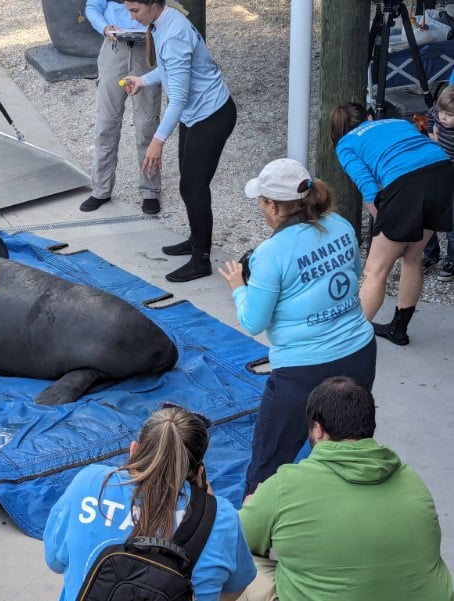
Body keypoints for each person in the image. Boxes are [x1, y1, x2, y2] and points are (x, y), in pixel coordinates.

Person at [218, 159, 375, 496]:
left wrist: (239, 288)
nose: (261, 208)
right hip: (359, 354)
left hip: (302, 371)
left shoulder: (270, 253)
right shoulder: (342, 225)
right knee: (349, 451)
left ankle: (255, 536)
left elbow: (253, 321)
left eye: (261, 201)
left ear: (273, 206)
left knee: (267, 467)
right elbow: (353, 274)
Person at [238, 376, 454, 601]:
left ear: (318, 429)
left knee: (235, 561)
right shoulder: (411, 479)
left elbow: (237, 538)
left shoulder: (286, 485)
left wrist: (253, 506)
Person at [44, 406, 256, 601]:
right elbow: (234, 589)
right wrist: (207, 504)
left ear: (134, 450)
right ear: (198, 472)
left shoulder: (90, 482)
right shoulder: (222, 517)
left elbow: (55, 561)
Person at [121, 0, 236, 282]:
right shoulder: (163, 21)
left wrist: (157, 141)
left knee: (194, 187)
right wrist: (143, 80)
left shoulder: (173, 34)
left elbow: (179, 98)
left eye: (135, 10)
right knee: (190, 183)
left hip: (211, 115)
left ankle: (201, 260)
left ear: (152, 4)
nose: (131, 17)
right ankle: (196, 241)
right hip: (195, 115)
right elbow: (170, 68)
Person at [331, 102, 453, 345]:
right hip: (443, 174)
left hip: (406, 183)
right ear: (369, 115)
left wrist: (383, 223)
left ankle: (348, 344)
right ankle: (398, 329)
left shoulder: (345, 143)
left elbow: (368, 188)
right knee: (413, 256)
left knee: (375, 270)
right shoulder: (399, 122)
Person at [80, 0, 162, 215]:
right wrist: (104, 27)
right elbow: (92, 7)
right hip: (114, 47)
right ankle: (101, 189)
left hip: (147, 47)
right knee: (106, 122)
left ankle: (150, 191)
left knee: (147, 123)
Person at [421, 85, 454, 282]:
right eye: (443, 112)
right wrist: (433, 131)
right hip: (438, 169)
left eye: (449, 115)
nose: (443, 117)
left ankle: (451, 259)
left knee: (452, 221)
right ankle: (429, 254)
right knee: (427, 213)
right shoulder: (437, 113)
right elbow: (431, 113)